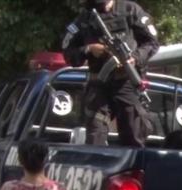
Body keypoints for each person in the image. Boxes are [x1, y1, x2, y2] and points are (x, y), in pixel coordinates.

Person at [62, 0, 159, 147]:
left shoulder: (130, 10)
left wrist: (135, 58)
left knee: (133, 135)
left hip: (126, 83)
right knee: (95, 135)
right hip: (99, 86)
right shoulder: (84, 19)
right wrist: (89, 49)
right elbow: (68, 53)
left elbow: (152, 42)